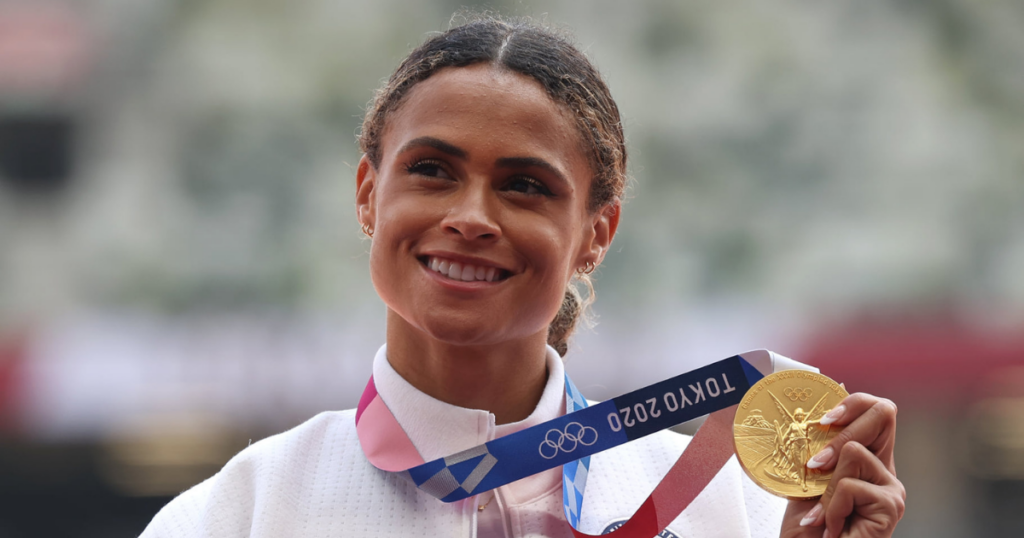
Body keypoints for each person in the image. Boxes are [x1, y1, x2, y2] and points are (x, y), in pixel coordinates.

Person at [142, 14, 904, 538]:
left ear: (594, 236)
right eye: (432, 171)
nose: (472, 216)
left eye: (525, 186)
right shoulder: (240, 512)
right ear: (369, 195)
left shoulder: (731, 508)